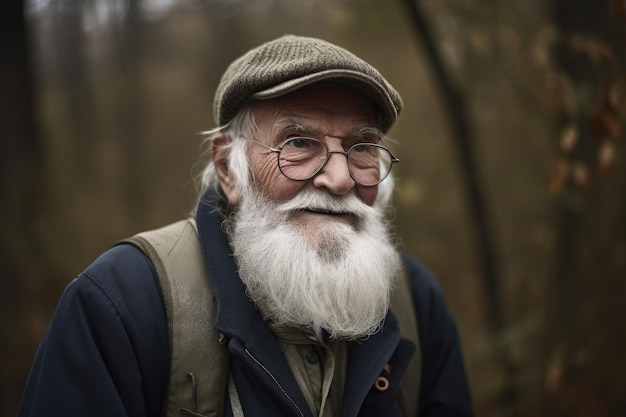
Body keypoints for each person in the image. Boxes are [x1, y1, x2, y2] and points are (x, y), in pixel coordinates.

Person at [18, 35, 473, 417]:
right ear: (229, 169)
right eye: (299, 143)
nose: (339, 179)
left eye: (361, 148)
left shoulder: (415, 302)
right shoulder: (119, 306)